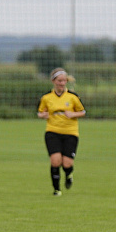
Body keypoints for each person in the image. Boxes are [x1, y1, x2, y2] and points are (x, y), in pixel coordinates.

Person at [37, 67, 86, 196]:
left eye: (64, 81)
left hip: (70, 132)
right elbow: (40, 112)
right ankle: (56, 189)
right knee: (55, 161)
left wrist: (73, 114)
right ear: (53, 81)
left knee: (67, 163)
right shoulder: (47, 97)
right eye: (59, 81)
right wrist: (44, 115)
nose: (62, 83)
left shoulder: (73, 97)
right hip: (52, 132)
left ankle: (69, 174)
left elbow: (83, 112)